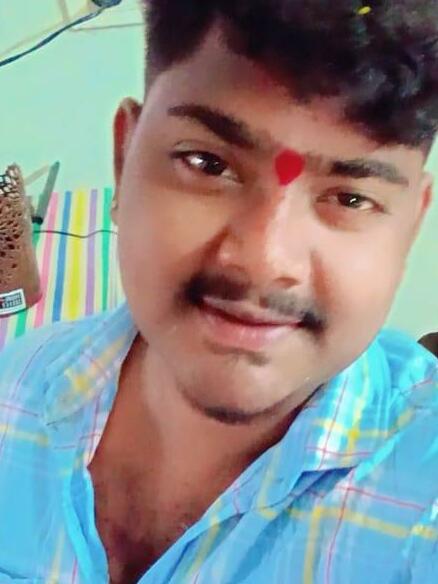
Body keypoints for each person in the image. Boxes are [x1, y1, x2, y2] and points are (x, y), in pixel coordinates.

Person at [0, 1, 437, 582]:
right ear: (124, 158)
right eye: (207, 164)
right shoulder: (16, 392)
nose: (265, 260)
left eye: (351, 198)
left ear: (409, 227)